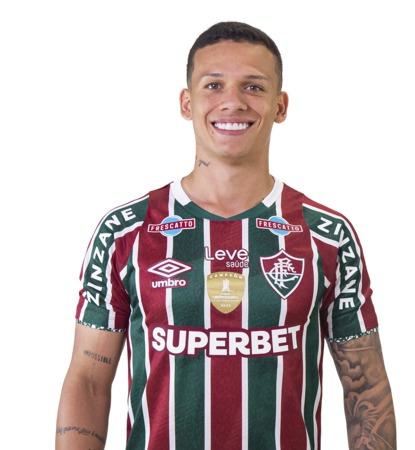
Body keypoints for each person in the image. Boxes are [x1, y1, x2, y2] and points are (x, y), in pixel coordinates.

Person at [56, 21, 396, 450]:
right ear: (187, 102)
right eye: (213, 85)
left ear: (280, 106)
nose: (232, 101)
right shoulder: (126, 232)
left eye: (253, 87)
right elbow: (88, 382)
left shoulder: (326, 235)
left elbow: (365, 389)